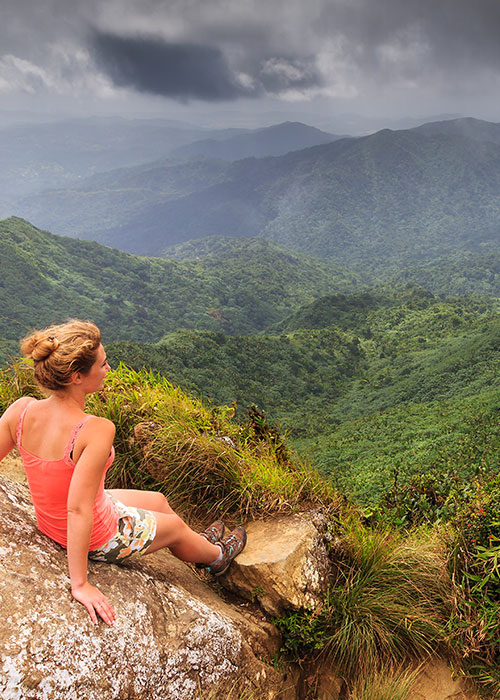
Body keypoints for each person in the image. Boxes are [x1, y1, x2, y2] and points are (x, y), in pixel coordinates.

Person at [0, 319, 246, 626]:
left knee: (157, 501)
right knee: (177, 527)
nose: (108, 369)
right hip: (97, 535)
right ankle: (216, 558)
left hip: (53, 519)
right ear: (77, 376)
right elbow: (77, 509)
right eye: (102, 365)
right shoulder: (95, 430)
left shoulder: (20, 411)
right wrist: (79, 584)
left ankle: (198, 546)